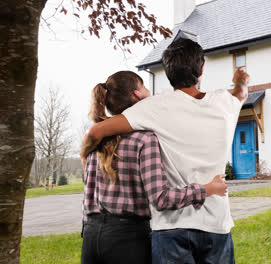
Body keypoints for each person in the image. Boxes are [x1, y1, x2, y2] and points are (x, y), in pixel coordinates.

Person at [81, 38, 249, 264]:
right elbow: (241, 93)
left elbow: (96, 131)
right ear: (201, 70)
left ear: (168, 73)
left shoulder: (153, 107)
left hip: (170, 228)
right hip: (215, 224)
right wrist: (241, 80)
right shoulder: (225, 102)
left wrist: (85, 154)